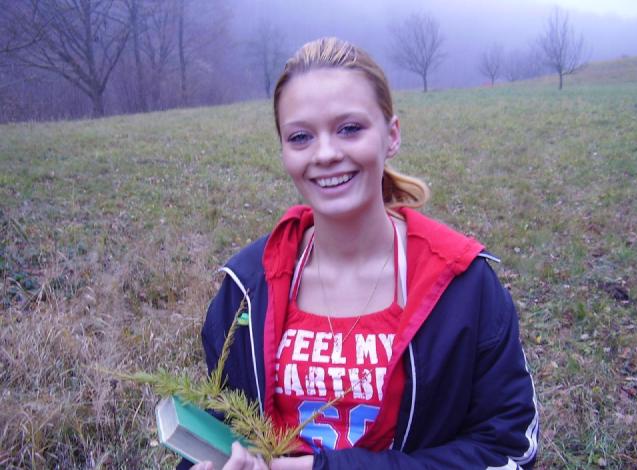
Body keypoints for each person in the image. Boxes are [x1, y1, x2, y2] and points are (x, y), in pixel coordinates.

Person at [182, 37, 538, 470]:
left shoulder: (462, 283)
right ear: (284, 151)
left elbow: (509, 448)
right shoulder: (247, 288)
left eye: (349, 128)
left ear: (392, 135)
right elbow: (221, 424)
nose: (326, 154)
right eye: (300, 137)